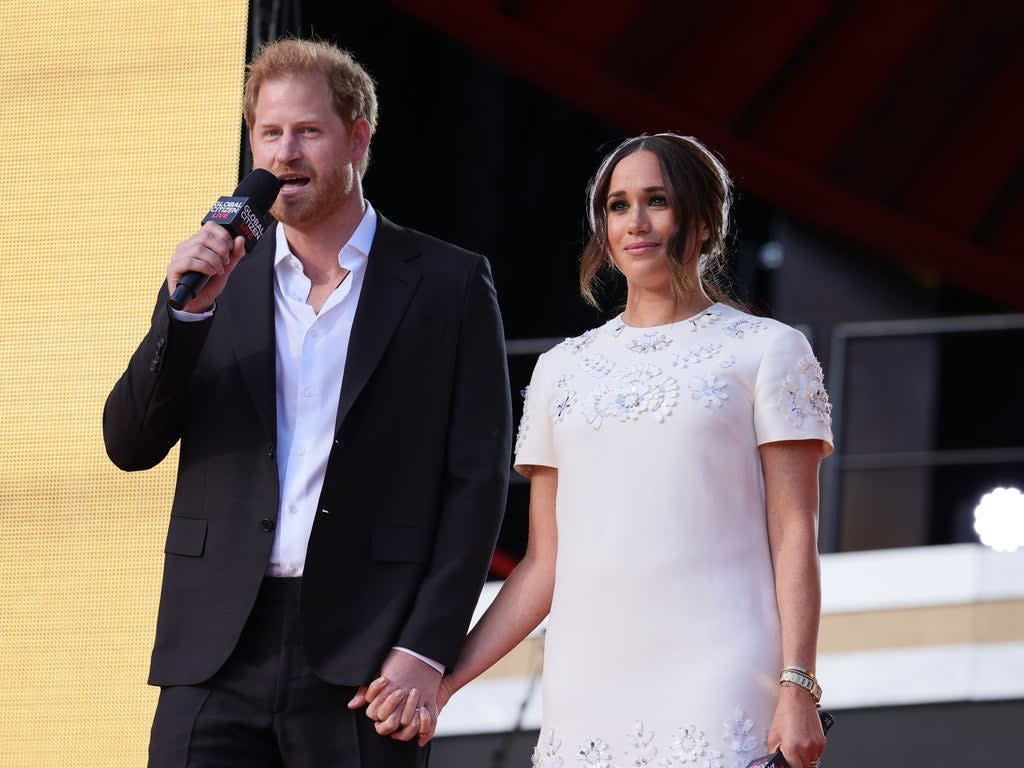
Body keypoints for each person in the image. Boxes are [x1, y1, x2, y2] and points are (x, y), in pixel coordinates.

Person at [103, 37, 511, 768]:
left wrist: (427, 647)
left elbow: (476, 481)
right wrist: (184, 314)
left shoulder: (447, 284)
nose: (284, 153)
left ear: (358, 138)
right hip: (214, 650)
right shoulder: (218, 275)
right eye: (269, 133)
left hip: (367, 651)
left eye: (308, 131)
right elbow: (129, 443)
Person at [369, 133, 833, 768]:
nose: (635, 223)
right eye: (618, 205)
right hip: (586, 684)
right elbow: (542, 565)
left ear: (703, 220)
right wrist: (445, 683)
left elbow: (794, 532)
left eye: (657, 201)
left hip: (721, 671)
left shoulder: (769, 350)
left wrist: (798, 683)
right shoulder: (564, 368)